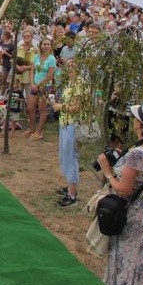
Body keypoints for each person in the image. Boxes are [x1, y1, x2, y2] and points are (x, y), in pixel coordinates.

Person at [97, 101, 143, 285]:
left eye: (136, 119)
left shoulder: (137, 154)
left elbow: (124, 189)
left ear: (140, 125)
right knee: (138, 257)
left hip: (129, 212)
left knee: (123, 258)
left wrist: (109, 173)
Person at [50, 61, 84, 206]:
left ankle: (72, 196)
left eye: (73, 66)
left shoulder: (80, 84)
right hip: (64, 122)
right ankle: (70, 186)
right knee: (64, 155)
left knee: (71, 157)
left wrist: (59, 106)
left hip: (72, 124)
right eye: (68, 66)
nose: (70, 69)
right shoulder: (69, 83)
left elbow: (76, 107)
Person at [27, 37, 56, 141]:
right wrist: (32, 83)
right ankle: (32, 129)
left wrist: (38, 85)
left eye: (48, 44)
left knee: (42, 109)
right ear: (40, 45)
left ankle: (39, 132)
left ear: (50, 46)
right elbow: (32, 70)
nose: (46, 46)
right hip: (34, 85)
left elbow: (50, 75)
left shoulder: (52, 59)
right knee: (30, 108)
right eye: (44, 44)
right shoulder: (36, 57)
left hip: (45, 86)